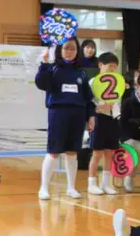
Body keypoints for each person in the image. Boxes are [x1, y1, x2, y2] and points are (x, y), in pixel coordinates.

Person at [35, 37, 95, 200]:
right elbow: (41, 84)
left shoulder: (81, 72)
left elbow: (88, 98)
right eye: (66, 48)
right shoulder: (53, 68)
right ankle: (44, 188)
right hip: (58, 113)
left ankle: (71, 188)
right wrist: (44, 63)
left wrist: (91, 116)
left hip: (78, 115)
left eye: (73, 48)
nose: (69, 52)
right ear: (60, 50)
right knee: (53, 151)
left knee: (72, 152)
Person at [87, 52, 120, 195]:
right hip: (99, 118)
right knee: (97, 153)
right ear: (101, 65)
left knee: (109, 153)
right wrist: (100, 107)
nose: (113, 69)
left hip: (113, 118)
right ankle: (91, 183)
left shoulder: (117, 82)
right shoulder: (93, 82)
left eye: (115, 67)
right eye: (110, 66)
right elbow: (89, 102)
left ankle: (106, 184)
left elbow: (118, 100)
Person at [77, 39, 98, 170]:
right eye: (87, 47)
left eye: (92, 47)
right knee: (80, 131)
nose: (90, 50)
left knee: (92, 130)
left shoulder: (98, 63)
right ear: (82, 48)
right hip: (79, 100)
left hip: (94, 100)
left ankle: (89, 161)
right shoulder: (77, 62)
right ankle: (79, 160)